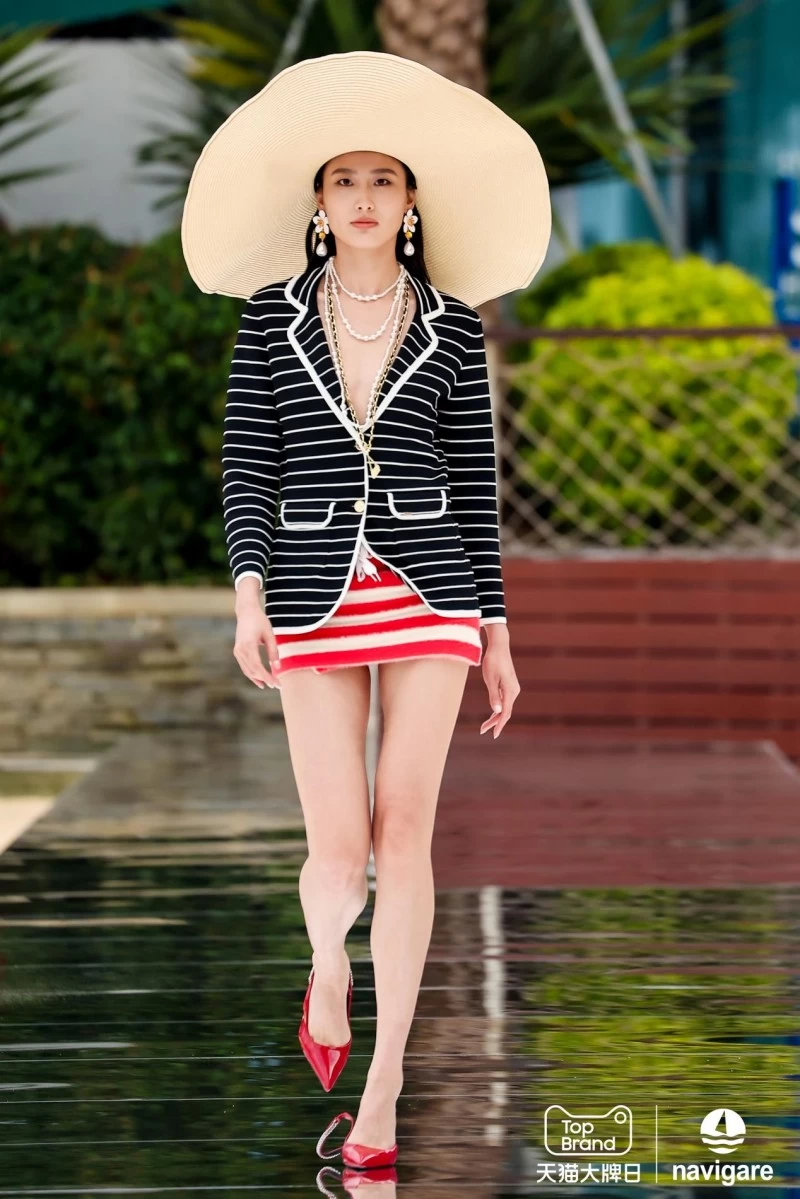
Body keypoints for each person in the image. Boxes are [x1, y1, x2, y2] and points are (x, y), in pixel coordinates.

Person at [182, 50, 550, 1170]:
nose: (361, 197)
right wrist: (247, 592)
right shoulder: (269, 319)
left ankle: (384, 1087)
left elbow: (475, 483)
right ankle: (329, 962)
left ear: (409, 200)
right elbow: (249, 466)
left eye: (381, 179)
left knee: (405, 835)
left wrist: (495, 630)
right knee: (339, 856)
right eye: (343, 179)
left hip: (431, 588)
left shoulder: (452, 324)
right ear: (317, 200)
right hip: (306, 589)